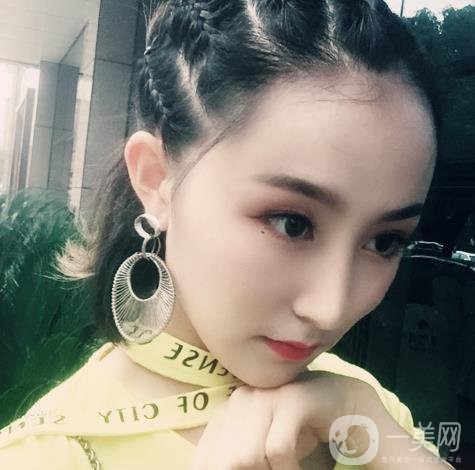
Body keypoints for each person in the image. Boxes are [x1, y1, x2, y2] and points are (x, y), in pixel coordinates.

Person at [0, 0, 455, 468]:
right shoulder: (38, 457)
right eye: (292, 223)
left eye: (385, 242)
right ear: (156, 181)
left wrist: (378, 437)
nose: (331, 309)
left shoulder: (368, 413)